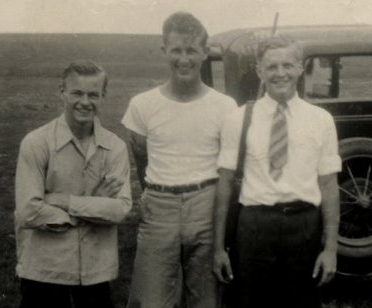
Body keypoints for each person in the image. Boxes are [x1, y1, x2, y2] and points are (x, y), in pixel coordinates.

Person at [213, 35, 341, 308]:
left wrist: (330, 249)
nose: (280, 73)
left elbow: (329, 185)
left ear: (299, 68)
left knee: (301, 301)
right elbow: (224, 184)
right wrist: (217, 248)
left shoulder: (321, 120)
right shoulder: (238, 119)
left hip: (304, 226)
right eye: (272, 67)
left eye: (287, 65)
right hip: (254, 227)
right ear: (260, 70)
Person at [121, 11, 236, 308]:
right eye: (176, 50)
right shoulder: (142, 105)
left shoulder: (224, 106)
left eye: (191, 50)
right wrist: (160, 194)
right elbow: (141, 159)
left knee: (206, 298)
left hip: (206, 205)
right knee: (150, 299)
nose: (184, 59)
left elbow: (227, 171)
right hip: (160, 207)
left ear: (204, 53)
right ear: (164, 51)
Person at [15, 60, 132, 308]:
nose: (85, 102)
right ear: (62, 92)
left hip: (96, 273)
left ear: (103, 97)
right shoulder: (36, 143)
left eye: (93, 94)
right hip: (44, 270)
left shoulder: (115, 147)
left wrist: (61, 200)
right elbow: (28, 211)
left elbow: (120, 209)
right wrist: (92, 204)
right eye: (77, 93)